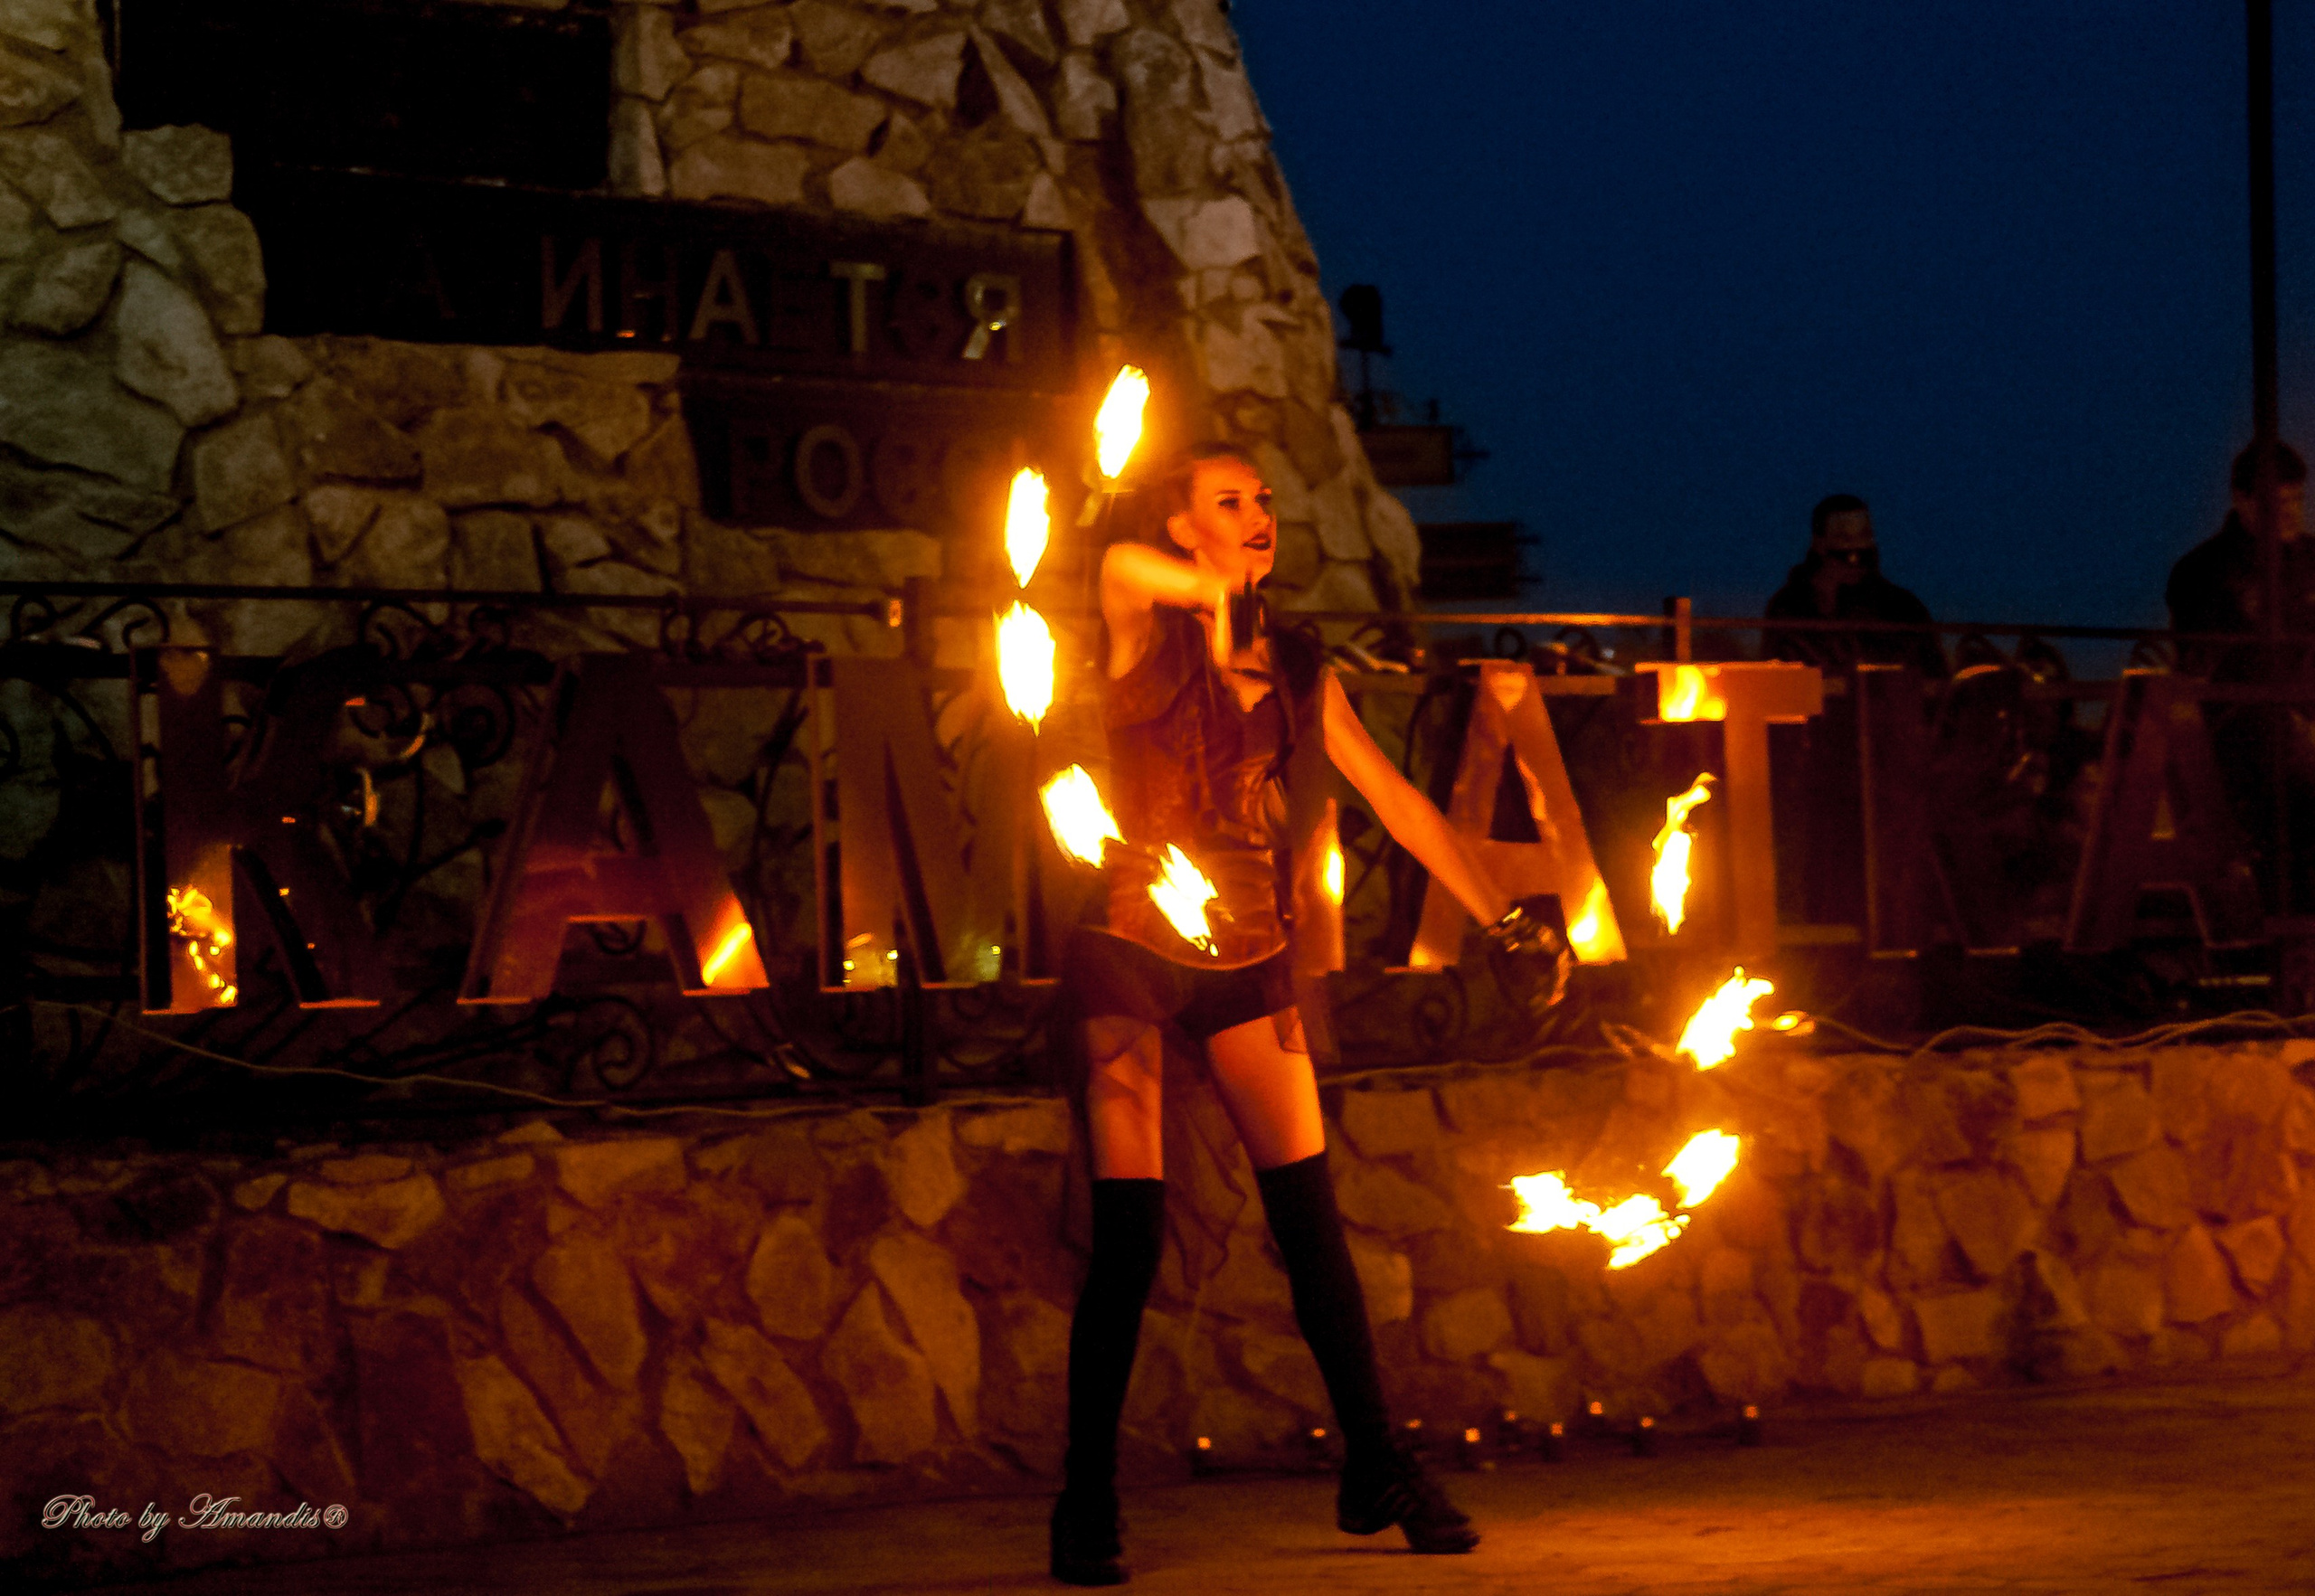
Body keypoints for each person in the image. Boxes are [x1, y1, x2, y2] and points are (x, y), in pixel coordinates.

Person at [1049, 442, 1569, 1585]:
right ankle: (1085, 1497)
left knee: (1311, 1223)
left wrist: (1501, 918)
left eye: (1266, 501)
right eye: (1228, 501)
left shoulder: (1293, 660)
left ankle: (1375, 1464)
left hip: (1248, 951)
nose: (1259, 516)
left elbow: (1397, 799)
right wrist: (1216, 593)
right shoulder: (1137, 608)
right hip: (1130, 945)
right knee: (1130, 1237)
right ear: (1182, 526)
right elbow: (1139, 570)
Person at [2165, 439, 2312, 678]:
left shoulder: (2310, 559)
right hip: (2241, 698)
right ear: (2241, 499)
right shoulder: (2200, 571)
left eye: (2297, 499)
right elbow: (2197, 664)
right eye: (2279, 502)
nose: (2291, 512)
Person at [1762, 494, 1947, 676]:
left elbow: (1934, 676)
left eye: (1864, 535)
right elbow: (1775, 676)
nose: (1855, 551)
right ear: (1819, 543)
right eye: (1843, 537)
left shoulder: (1904, 609)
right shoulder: (1787, 608)